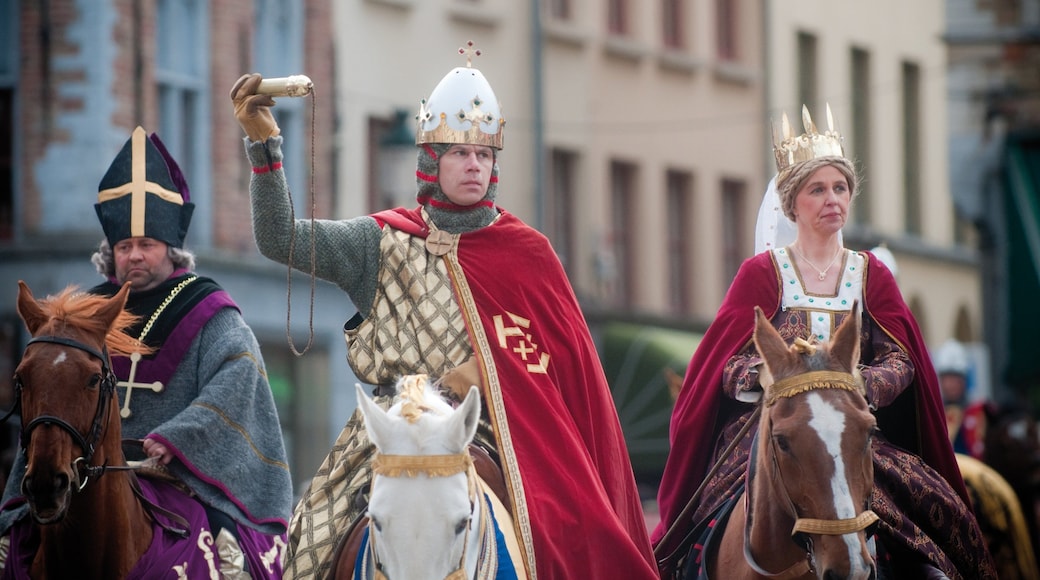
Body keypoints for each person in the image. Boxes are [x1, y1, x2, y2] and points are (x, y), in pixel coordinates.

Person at [230, 43, 659, 579]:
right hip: (387, 432)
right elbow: (278, 238)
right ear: (431, 160)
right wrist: (264, 147)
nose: (473, 165)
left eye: (483, 155)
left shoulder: (529, 254)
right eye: (459, 153)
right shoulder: (379, 242)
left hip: (488, 433)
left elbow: (564, 380)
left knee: (573, 532)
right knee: (308, 545)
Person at [652, 106, 997, 579]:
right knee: (701, 517)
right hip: (776, 431)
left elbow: (902, 358)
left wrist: (856, 383)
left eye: (840, 188)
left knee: (941, 516)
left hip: (851, 435)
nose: (832, 199)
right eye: (818, 189)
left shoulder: (869, 273)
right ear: (794, 204)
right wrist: (764, 375)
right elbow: (723, 362)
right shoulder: (762, 273)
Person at [0, 126, 294, 577]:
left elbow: (238, 378)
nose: (135, 256)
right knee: (18, 536)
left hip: (179, 472)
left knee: (221, 534)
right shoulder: (82, 315)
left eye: (146, 245)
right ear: (110, 252)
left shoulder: (210, 311)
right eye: (124, 246)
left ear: (171, 250)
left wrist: (179, 436)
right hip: (86, 468)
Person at [934, 338, 988, 458]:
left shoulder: (978, 413)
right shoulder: (934, 413)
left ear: (964, 380)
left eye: (955, 378)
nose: (950, 384)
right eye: (946, 378)